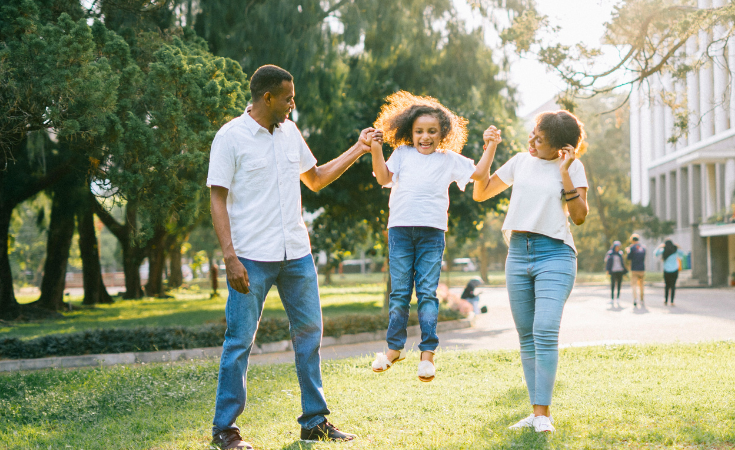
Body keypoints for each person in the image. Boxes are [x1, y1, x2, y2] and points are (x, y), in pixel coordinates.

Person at [206, 64, 373, 449]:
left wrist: (359, 148)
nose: (292, 104)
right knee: (239, 341)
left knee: (310, 336)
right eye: (287, 97)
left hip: (297, 254)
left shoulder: (290, 132)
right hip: (251, 258)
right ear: (267, 97)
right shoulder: (230, 137)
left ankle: (314, 422)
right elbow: (216, 197)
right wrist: (229, 257)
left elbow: (315, 178)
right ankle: (225, 430)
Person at [367, 91, 498, 382]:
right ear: (409, 133)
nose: (425, 137)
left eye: (431, 132)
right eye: (419, 132)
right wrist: (376, 149)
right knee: (400, 293)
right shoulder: (402, 154)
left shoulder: (448, 159)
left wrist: (490, 146)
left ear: (443, 133)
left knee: (427, 293)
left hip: (432, 233)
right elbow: (383, 178)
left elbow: (478, 174)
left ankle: (428, 356)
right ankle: (393, 349)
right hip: (400, 231)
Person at [473, 110, 589, 433]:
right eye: (533, 134)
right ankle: (537, 413)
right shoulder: (520, 162)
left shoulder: (573, 167)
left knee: (545, 329)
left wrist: (565, 172)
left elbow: (579, 216)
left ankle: (543, 415)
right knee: (527, 337)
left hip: (556, 254)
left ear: (562, 148)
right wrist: (490, 148)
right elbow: (480, 192)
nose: (532, 141)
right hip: (518, 254)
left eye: (541, 139)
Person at [655, 240, 684, 305]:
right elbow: (682, 254)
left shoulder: (663, 250)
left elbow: (656, 253)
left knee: (667, 286)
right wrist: (679, 246)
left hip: (666, 270)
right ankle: (672, 301)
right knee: (673, 286)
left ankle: (665, 300)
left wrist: (659, 247)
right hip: (674, 270)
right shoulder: (675, 249)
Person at [626, 233, 647, 307]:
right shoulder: (643, 247)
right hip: (642, 268)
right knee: (641, 285)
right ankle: (642, 299)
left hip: (634, 269)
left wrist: (628, 251)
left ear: (632, 240)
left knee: (634, 285)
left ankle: (635, 299)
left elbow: (628, 258)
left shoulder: (632, 248)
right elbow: (644, 257)